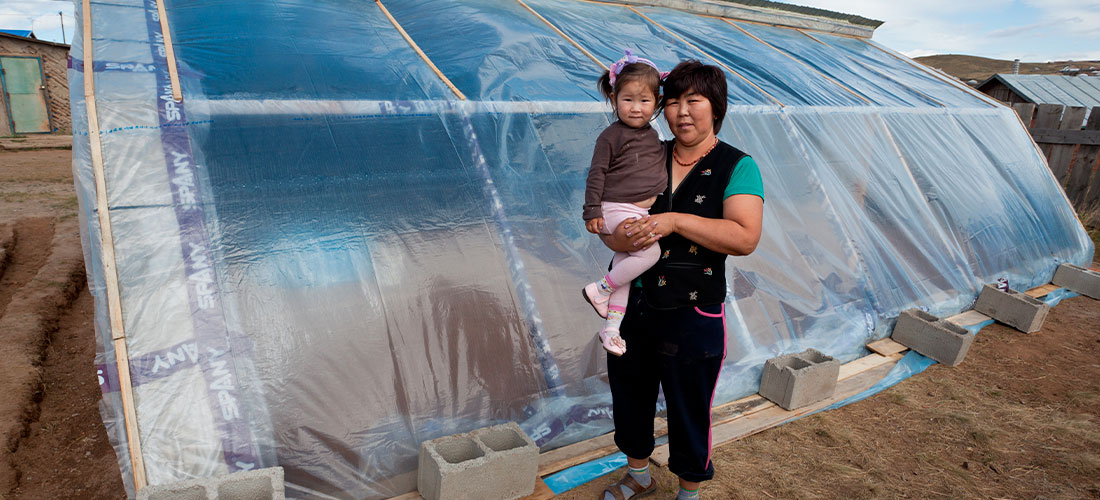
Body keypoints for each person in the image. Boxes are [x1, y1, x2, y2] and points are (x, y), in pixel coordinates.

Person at [597, 60, 764, 500]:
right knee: (629, 395)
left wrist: (673, 221)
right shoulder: (646, 149)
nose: (682, 112)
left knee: (689, 406)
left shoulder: (736, 166)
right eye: (672, 102)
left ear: (716, 107)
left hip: (693, 311)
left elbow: (744, 237)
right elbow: (611, 217)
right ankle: (638, 474)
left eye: (694, 101)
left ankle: (688, 491)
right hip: (634, 305)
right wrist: (618, 233)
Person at [581, 50, 668, 357]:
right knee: (650, 252)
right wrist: (591, 211)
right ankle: (599, 289)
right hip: (617, 208)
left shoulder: (651, 136)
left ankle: (611, 330)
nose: (635, 108)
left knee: (626, 271)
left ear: (656, 102)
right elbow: (597, 173)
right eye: (627, 100)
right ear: (614, 98)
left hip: (636, 210)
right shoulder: (610, 136)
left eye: (644, 101)